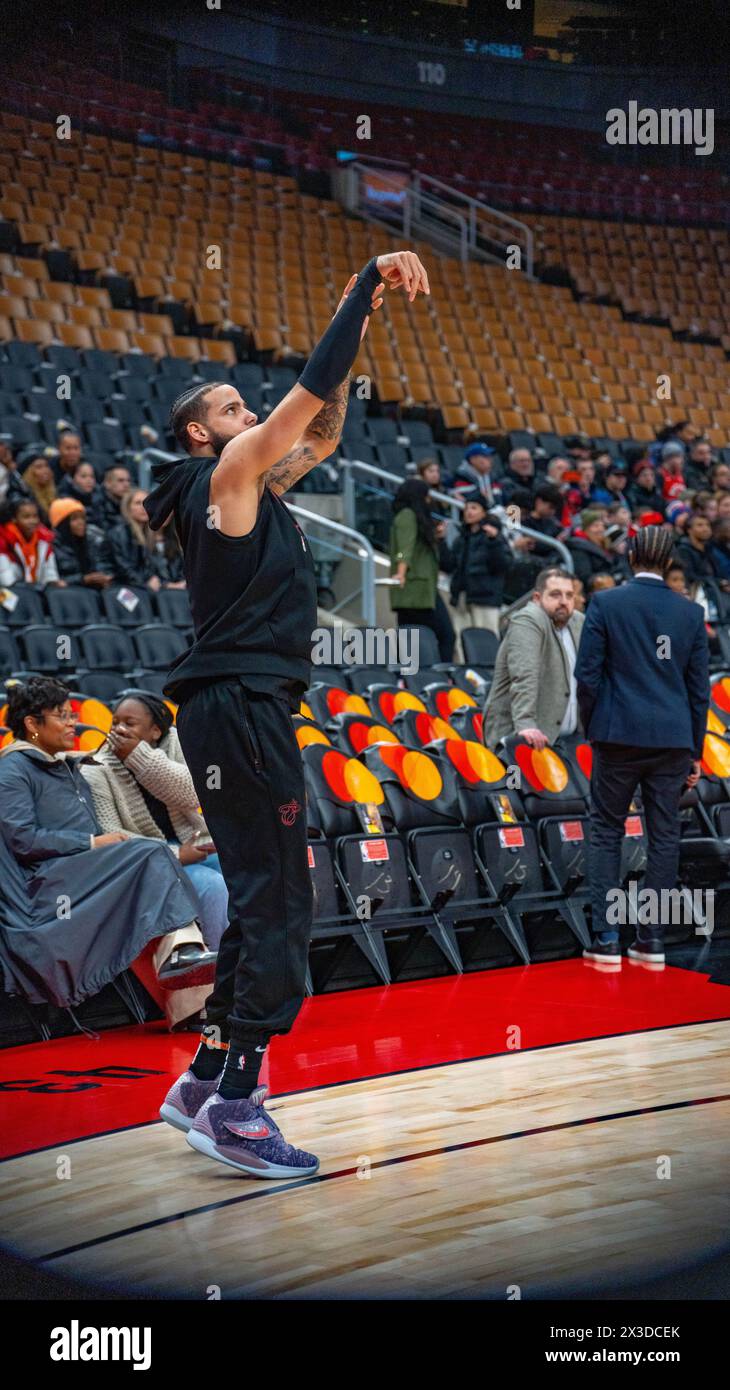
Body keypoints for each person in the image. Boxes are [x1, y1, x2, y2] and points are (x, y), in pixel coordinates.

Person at [144, 248, 428, 1175]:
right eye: (227, 408)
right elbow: (304, 396)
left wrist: (367, 319)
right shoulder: (224, 478)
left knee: (265, 891)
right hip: (240, 702)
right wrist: (362, 284)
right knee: (283, 899)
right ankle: (237, 1105)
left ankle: (207, 1076)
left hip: (233, 706)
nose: (246, 416)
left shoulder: (251, 490)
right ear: (200, 437)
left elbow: (323, 427)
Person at [0, 678, 216, 1030]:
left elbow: (190, 790)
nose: (73, 723)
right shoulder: (12, 770)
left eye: (71, 715)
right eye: (62, 717)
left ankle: (193, 1003)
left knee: (149, 884)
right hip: (49, 886)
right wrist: (91, 843)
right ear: (31, 724)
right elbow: (23, 840)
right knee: (150, 854)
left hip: (82, 873)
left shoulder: (61, 763)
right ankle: (185, 958)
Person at [575, 526, 710, 968]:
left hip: (617, 736)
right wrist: (694, 750)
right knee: (664, 836)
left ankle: (606, 939)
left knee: (608, 832)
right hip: (672, 740)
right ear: (669, 561)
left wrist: (592, 727)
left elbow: (587, 677)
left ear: (631, 556)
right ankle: (651, 941)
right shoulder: (689, 614)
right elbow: (698, 691)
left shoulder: (606, 602)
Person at [82, 691, 229, 953]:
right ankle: (221, 967)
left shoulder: (177, 743)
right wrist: (175, 854)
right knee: (213, 886)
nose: (119, 729)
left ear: (155, 732)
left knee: (247, 870)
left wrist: (137, 757)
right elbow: (112, 834)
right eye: (115, 722)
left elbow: (194, 792)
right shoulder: (97, 768)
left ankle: (261, 954)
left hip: (199, 843)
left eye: (130, 723)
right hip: (150, 859)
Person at [483, 567, 584, 751]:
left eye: (569, 596)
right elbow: (524, 675)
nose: (564, 602)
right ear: (537, 598)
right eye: (555, 595)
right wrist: (525, 724)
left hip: (563, 743)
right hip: (517, 740)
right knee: (514, 781)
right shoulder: (527, 620)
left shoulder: (578, 621)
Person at [389, 476, 455, 660]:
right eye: (426, 496)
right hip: (416, 589)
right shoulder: (407, 515)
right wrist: (401, 573)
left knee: (410, 639)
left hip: (420, 588)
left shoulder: (414, 518)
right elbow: (405, 548)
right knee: (446, 634)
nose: (429, 501)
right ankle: (443, 674)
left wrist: (436, 536)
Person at [443, 490, 512, 639]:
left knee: (487, 640)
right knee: (461, 642)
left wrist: (494, 542)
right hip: (462, 597)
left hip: (485, 598)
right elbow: (448, 565)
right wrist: (441, 542)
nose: (469, 512)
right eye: (467, 508)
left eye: (474, 508)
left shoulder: (494, 537)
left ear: (484, 512)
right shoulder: (461, 539)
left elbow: (503, 565)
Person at [107, 488, 182, 590]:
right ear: (128, 508)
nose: (143, 507)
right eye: (138, 503)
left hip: (144, 586)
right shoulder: (119, 533)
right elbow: (124, 568)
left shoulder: (150, 534)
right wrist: (148, 582)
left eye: (146, 502)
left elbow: (154, 567)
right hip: (120, 586)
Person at [49, 499, 113, 588]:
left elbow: (102, 565)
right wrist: (83, 579)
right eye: (74, 519)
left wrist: (104, 576)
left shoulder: (92, 540)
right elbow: (54, 581)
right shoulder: (52, 546)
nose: (81, 522)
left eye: (82, 517)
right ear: (63, 524)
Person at [0, 498, 62, 587]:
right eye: (26, 517)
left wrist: (53, 583)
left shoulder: (44, 539)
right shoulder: (3, 540)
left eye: (35, 516)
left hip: (34, 593)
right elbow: (6, 580)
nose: (32, 521)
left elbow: (50, 574)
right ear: (14, 519)